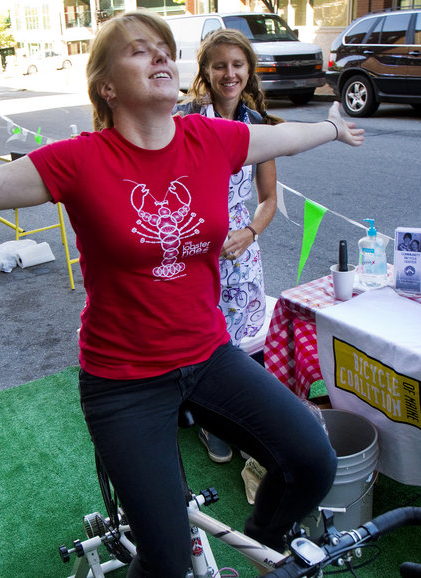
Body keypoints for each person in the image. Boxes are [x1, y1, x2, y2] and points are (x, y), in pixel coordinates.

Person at [0, 11, 364, 577]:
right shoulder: (80, 161)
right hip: (123, 382)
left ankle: (265, 543)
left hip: (208, 355)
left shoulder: (211, 138)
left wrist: (333, 127)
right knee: (164, 557)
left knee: (313, 459)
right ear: (106, 87)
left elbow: (287, 140)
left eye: (166, 51)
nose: (161, 58)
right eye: (139, 51)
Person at [174, 28, 279, 464]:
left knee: (234, 344)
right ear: (206, 71)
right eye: (220, 65)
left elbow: (269, 201)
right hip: (193, 251)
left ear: (249, 70)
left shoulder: (258, 126)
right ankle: (203, 420)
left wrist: (251, 232)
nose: (229, 73)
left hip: (240, 253)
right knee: (193, 339)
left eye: (237, 65)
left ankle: (229, 417)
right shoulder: (186, 118)